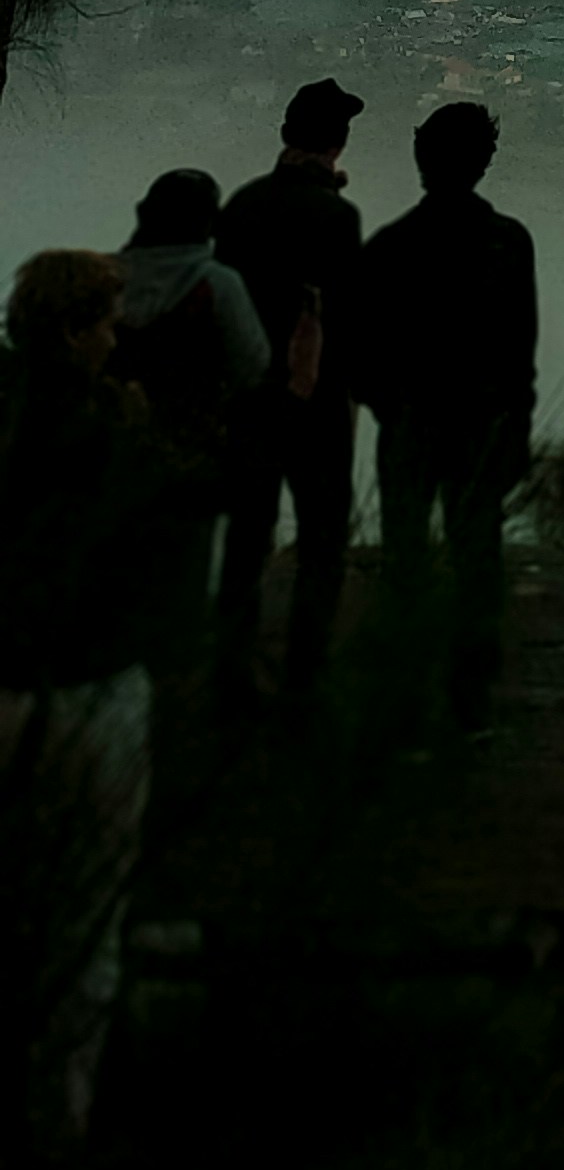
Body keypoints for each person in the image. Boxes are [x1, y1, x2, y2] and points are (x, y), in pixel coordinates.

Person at [0, 251, 179, 1144]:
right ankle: (57, 1125)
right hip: (90, 687)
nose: (118, 337)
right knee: (87, 915)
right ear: (76, 334)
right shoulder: (111, 433)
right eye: (106, 323)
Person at [352, 101, 537, 733]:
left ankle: (403, 703)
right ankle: (470, 702)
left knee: (406, 566)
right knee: (478, 561)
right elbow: (521, 353)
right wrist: (516, 430)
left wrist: (392, 408)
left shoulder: (390, 246)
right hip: (482, 426)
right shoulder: (507, 243)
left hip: (411, 425)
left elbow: (362, 354)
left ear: (420, 158)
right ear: (484, 163)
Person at [214, 76, 366, 708]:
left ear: (285, 136)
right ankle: (305, 678)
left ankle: (230, 675)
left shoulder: (243, 205)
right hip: (318, 401)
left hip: (248, 397)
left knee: (247, 540)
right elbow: (346, 316)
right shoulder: (336, 215)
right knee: (321, 542)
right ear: (338, 144)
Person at [109, 169, 270, 670]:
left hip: (116, 453)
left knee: (121, 575)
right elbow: (253, 364)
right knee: (184, 577)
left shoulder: (109, 278)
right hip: (193, 453)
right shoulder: (216, 283)